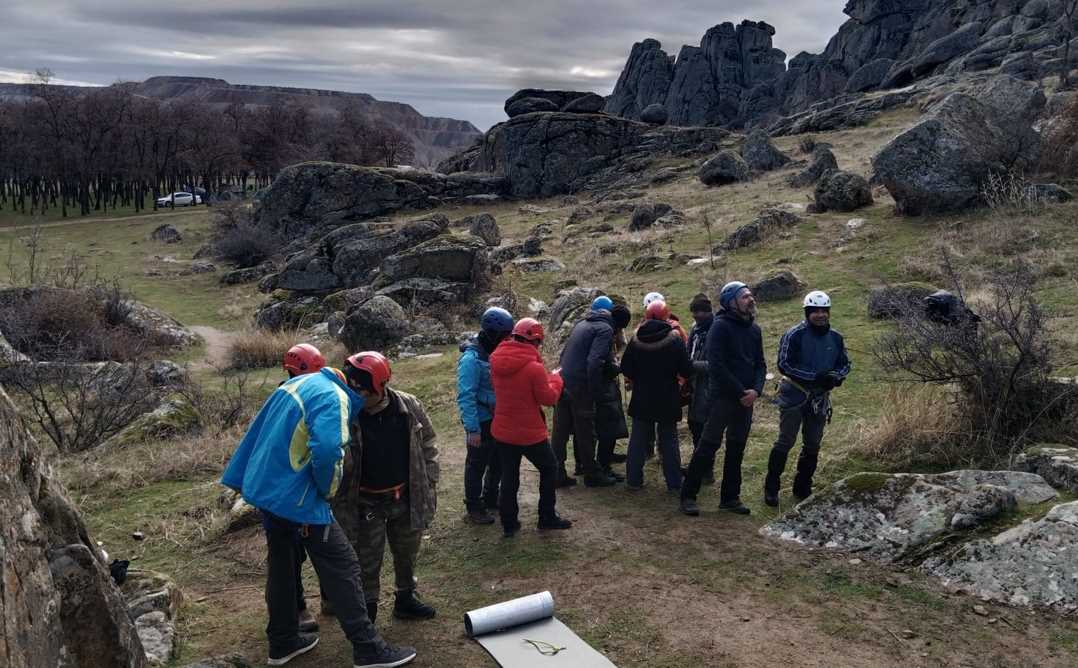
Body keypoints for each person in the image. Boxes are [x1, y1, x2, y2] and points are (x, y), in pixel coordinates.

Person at [221, 363, 416, 668]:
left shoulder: (300, 384)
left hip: (265, 489)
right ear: (361, 390)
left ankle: (283, 641)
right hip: (294, 497)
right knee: (343, 564)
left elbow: (258, 429)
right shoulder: (333, 397)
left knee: (282, 564)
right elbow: (327, 450)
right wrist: (328, 490)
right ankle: (368, 648)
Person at [330, 351, 439, 627]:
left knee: (407, 552)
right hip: (365, 503)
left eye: (362, 391)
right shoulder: (345, 414)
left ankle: (406, 598)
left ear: (380, 386)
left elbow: (428, 443)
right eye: (352, 390)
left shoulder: (409, 407)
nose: (356, 397)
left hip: (405, 497)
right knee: (367, 560)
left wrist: (430, 479)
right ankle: (368, 610)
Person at [680, 281, 766, 517]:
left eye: (750, 295)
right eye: (744, 296)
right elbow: (717, 366)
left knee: (737, 447)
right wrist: (741, 393)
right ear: (731, 302)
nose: (750, 299)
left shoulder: (754, 329)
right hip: (723, 399)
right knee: (708, 446)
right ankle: (688, 495)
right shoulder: (720, 327)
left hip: (746, 400)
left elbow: (760, 364)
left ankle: (730, 497)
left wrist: (756, 391)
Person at [764, 291, 851, 506]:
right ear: (807, 312)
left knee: (813, 443)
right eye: (815, 311)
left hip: (819, 398)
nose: (820, 315)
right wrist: (815, 376)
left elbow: (845, 363)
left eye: (824, 311)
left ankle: (803, 486)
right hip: (795, 394)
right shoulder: (794, 334)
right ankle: (771, 487)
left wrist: (836, 377)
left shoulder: (836, 337)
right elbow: (784, 364)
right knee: (786, 440)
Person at [490, 318, 572, 537]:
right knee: (549, 468)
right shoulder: (534, 368)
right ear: (534, 341)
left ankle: (509, 523)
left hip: (503, 430)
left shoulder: (495, 360)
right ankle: (546, 517)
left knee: (509, 476)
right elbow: (549, 399)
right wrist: (556, 379)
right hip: (529, 432)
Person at [278, 344, 327, 635]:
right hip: (290, 490)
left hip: (314, 484)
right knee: (291, 553)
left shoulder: (315, 395)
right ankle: (297, 608)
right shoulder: (282, 400)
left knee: (325, 542)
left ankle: (329, 598)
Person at [621, 300, 696, 491]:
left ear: (646, 316)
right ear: (666, 316)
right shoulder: (675, 339)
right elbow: (687, 370)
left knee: (637, 440)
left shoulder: (636, 339)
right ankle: (674, 483)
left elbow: (625, 367)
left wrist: (638, 377)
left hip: (642, 397)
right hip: (667, 397)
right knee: (669, 440)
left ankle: (633, 481)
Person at [550, 296, 617, 487]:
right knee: (586, 429)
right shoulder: (604, 329)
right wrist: (596, 390)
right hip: (581, 385)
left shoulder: (581, 324)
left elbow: (564, 353)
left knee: (560, 429)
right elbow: (594, 361)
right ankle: (591, 473)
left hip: (563, 381)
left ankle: (557, 472)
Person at [457, 307, 513, 525]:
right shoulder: (471, 359)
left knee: (498, 458)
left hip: (497, 416)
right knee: (476, 463)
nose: (507, 339)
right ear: (492, 333)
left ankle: (491, 496)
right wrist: (473, 429)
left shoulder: (494, 350)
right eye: (504, 335)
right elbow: (466, 395)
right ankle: (473, 507)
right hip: (480, 419)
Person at [595, 303, 632, 481]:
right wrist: (618, 368)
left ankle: (602, 461)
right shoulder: (606, 331)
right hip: (602, 386)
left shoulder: (595, 324)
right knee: (608, 425)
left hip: (594, 384)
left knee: (602, 425)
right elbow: (602, 362)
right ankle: (604, 466)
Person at [685, 295, 716, 485]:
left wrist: (691, 365)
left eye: (701, 311)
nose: (697, 315)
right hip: (695, 387)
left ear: (709, 311)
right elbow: (688, 351)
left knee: (706, 430)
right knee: (695, 427)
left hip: (710, 388)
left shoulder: (716, 331)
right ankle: (698, 465)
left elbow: (716, 365)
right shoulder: (694, 330)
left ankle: (707, 471)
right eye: (695, 312)